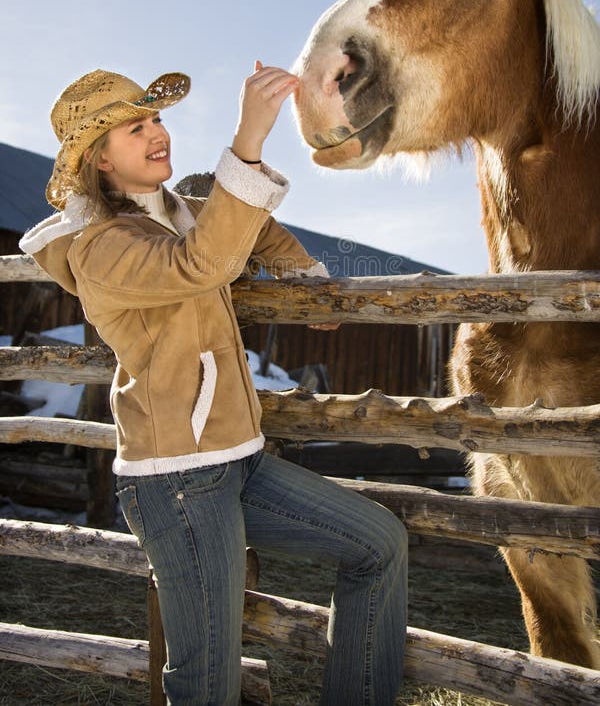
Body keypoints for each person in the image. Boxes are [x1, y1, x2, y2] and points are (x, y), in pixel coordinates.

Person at [20, 62, 408, 706]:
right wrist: (249, 139)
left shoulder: (185, 211)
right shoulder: (97, 247)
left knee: (378, 544)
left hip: (239, 460)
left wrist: (307, 277)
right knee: (207, 682)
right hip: (175, 480)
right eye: (134, 128)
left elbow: (252, 225)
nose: (156, 133)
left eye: (157, 119)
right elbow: (203, 262)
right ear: (100, 160)